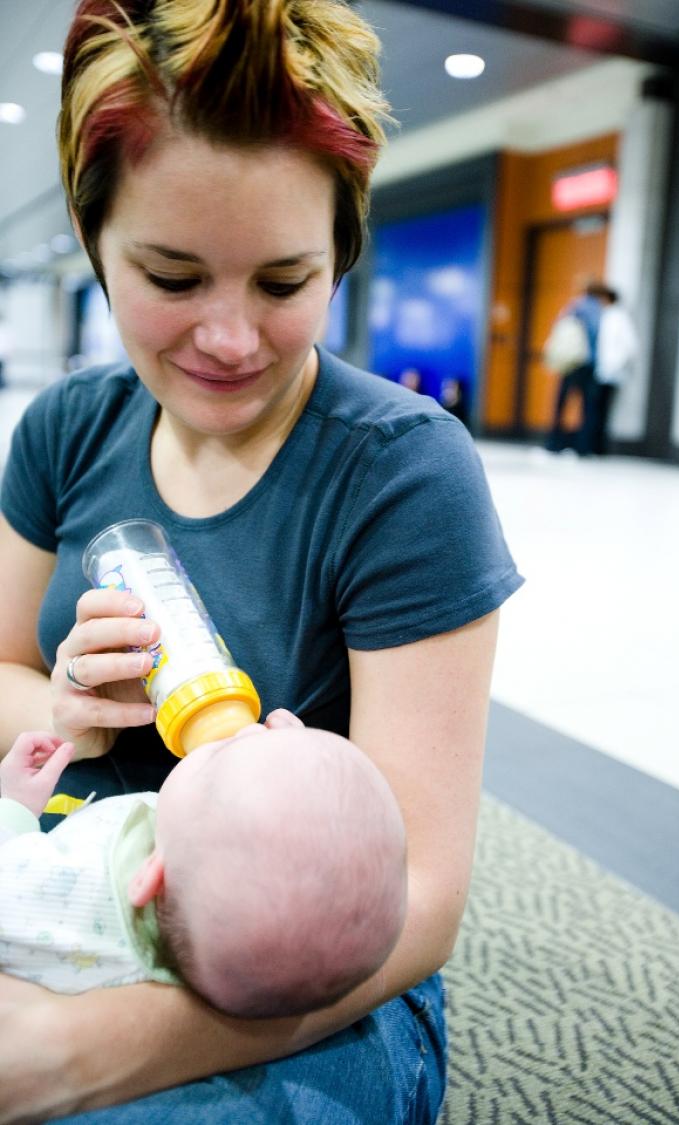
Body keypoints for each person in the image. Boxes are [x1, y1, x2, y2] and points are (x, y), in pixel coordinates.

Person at [0, 1, 523, 1121]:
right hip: (69, 878)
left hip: (310, 982)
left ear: (341, 257)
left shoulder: (400, 473)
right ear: (94, 243)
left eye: (284, 284)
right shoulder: (67, 432)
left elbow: (421, 898)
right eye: (173, 278)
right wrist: (67, 709)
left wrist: (67, 1052)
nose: (231, 340)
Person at [0, 718, 407, 1018]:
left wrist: (13, 805)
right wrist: (286, 760)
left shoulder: (66, 891)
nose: (249, 729)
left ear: (150, 877)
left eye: (222, 755)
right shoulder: (225, 946)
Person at [545, 281, 609, 456]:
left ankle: (554, 443)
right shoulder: (600, 311)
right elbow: (598, 336)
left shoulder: (576, 306)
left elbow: (560, 327)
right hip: (589, 364)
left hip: (571, 361)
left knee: (562, 403)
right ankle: (583, 446)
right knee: (588, 407)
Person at [591, 287, 638, 456]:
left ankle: (598, 448)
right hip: (604, 371)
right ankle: (595, 446)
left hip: (610, 371)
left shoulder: (618, 317)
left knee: (602, 410)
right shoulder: (608, 316)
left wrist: (614, 364)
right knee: (598, 409)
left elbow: (630, 346)